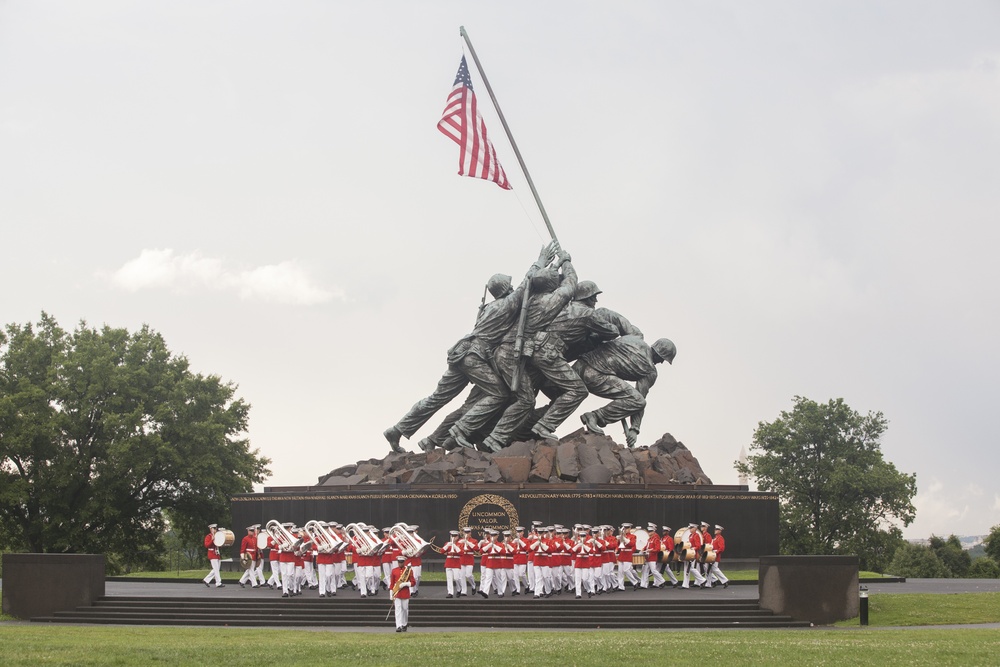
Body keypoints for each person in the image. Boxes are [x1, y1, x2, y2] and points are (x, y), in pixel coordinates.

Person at [383, 243, 556, 453]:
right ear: (506, 289)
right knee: (499, 394)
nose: (512, 288)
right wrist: (540, 262)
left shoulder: (488, 308)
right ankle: (459, 430)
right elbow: (526, 285)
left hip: (461, 352)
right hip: (474, 356)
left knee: (437, 398)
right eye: (509, 286)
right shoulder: (506, 305)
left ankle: (398, 429)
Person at [483, 249, 580, 451]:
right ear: (553, 285)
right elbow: (570, 286)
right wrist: (566, 262)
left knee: (523, 397)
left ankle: (499, 435)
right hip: (511, 354)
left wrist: (547, 264)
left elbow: (529, 280)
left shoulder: (526, 299)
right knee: (526, 399)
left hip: (505, 352)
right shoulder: (549, 302)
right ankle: (496, 438)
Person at [576, 335, 676, 447]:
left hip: (579, 365)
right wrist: (635, 429)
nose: (662, 362)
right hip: (595, 375)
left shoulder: (633, 339)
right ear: (660, 353)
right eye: (663, 359)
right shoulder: (650, 370)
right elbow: (639, 399)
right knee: (638, 401)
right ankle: (595, 416)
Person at [389, 555, 415, 632]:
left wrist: (406, 584)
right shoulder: (394, 570)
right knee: (398, 609)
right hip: (397, 593)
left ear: (404, 562)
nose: (400, 563)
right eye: (399, 562)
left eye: (402, 562)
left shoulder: (408, 570)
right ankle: (398, 626)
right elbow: (392, 583)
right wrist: (391, 593)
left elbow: (413, 582)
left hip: (405, 593)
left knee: (405, 609)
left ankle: (404, 624)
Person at [441, 530, 465, 598]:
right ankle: (450, 592)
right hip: (449, 562)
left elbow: (461, 553)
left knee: (457, 578)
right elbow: (442, 551)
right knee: (449, 579)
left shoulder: (460, 544)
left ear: (457, 537)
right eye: (452, 536)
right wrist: (447, 546)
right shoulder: (447, 543)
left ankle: (459, 589)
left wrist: (455, 546)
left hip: (456, 562)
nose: (453, 537)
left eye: (455, 536)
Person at [202, 524, 225, 588]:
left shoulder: (217, 535)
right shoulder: (208, 536)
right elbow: (207, 545)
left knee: (216, 569)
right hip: (212, 554)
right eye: (214, 529)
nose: (215, 530)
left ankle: (206, 580)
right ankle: (218, 582)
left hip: (217, 553)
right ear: (211, 529)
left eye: (215, 529)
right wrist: (212, 540)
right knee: (216, 569)